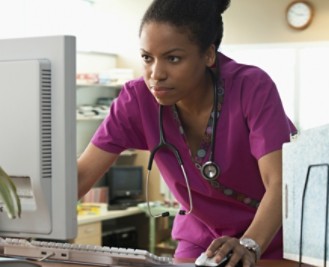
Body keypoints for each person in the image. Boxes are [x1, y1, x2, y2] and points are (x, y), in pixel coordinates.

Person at [77, 0, 295, 267]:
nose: (156, 74)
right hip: (203, 239)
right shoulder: (136, 100)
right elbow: (81, 175)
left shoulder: (250, 87)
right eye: (147, 57)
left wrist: (249, 245)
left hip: (271, 234)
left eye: (173, 58)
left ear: (208, 55)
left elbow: (281, 182)